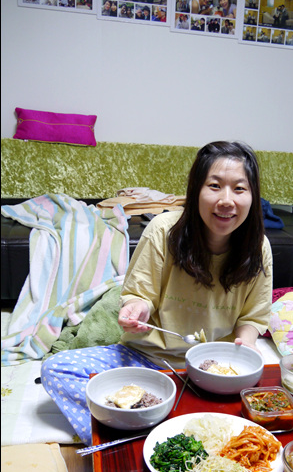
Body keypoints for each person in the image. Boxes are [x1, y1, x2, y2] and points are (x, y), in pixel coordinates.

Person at [40, 141, 272, 444]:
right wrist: (137, 308)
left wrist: (247, 342)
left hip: (215, 370)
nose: (226, 200)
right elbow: (140, 294)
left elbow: (253, 317)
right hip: (146, 360)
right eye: (214, 186)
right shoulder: (164, 230)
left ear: (252, 196)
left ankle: (151, 426)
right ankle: (141, 439)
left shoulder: (258, 247)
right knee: (56, 369)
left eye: (239, 189)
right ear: (195, 190)